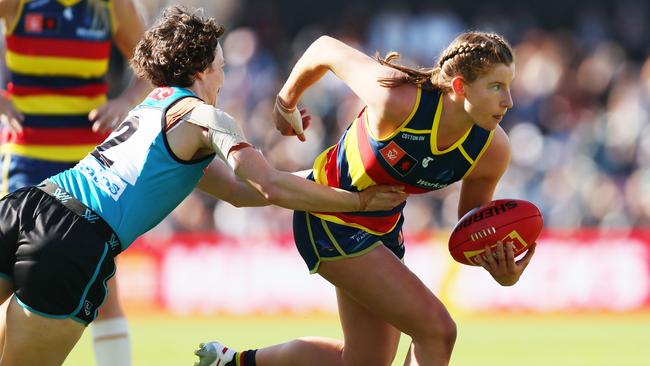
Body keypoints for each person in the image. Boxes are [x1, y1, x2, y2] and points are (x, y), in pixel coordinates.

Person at [0, 5, 406, 366]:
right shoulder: (205, 118)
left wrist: (324, 179)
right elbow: (268, 186)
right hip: (73, 240)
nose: (224, 78)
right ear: (201, 70)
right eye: (222, 66)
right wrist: (356, 200)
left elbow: (239, 191)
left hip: (28, 206)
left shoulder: (152, 106)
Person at [195, 32, 537, 366]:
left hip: (383, 227)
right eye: (496, 87)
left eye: (508, 87)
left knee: (365, 360)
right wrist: (286, 103)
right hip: (328, 216)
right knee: (438, 331)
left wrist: (498, 266)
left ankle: (231, 362)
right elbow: (325, 48)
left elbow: (470, 229)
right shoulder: (398, 100)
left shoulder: (492, 150)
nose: (508, 101)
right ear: (461, 87)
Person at [0, 0, 151, 365]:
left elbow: (151, 65)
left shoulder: (111, 5)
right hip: (26, 163)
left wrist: (127, 101)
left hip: (87, 171)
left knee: (107, 292)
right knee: (11, 286)